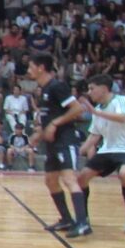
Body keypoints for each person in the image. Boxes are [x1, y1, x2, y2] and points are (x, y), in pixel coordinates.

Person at [27, 53, 89, 237]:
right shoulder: (44, 89)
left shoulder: (57, 86)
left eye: (31, 66)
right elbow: (50, 117)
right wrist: (39, 134)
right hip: (53, 143)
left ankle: (83, 223)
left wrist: (55, 124)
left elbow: (77, 109)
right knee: (51, 180)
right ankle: (67, 219)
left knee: (69, 179)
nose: (28, 70)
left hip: (65, 140)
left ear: (41, 68)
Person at [77, 74, 125, 234]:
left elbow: (122, 118)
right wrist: (78, 152)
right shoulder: (98, 109)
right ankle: (83, 218)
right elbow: (94, 136)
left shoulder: (122, 101)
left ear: (103, 88)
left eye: (92, 88)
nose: (89, 92)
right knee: (82, 177)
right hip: (108, 149)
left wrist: (95, 112)